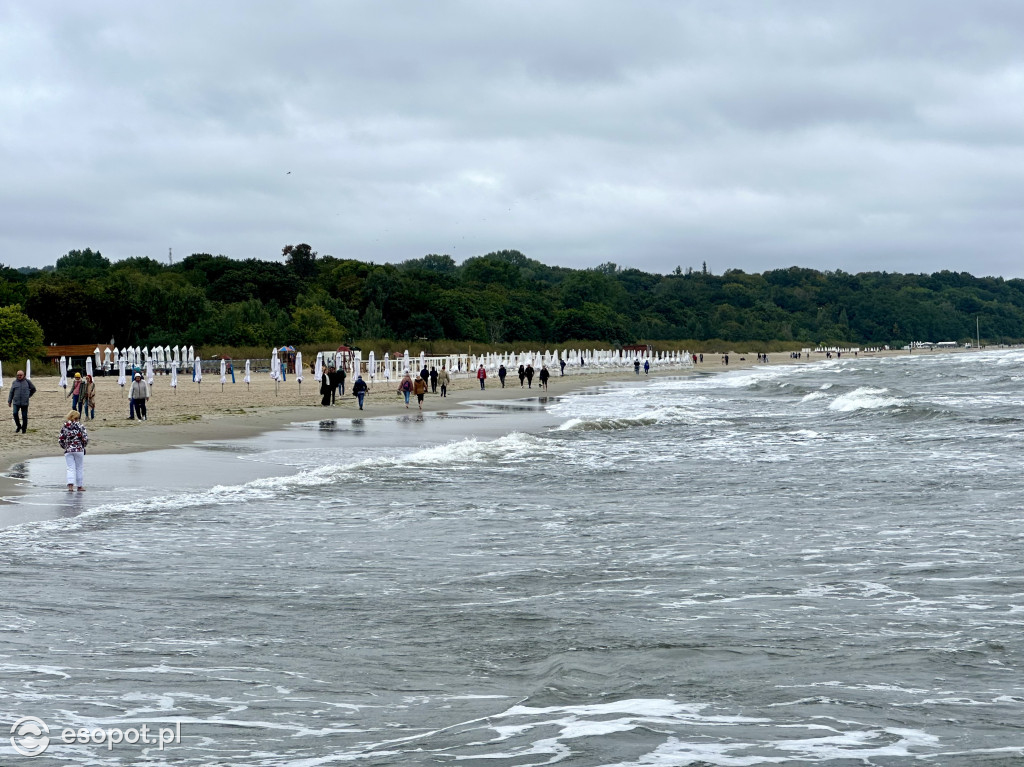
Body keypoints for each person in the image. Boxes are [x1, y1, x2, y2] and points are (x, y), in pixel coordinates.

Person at [59, 410, 89, 492]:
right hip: (79, 449)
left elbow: (61, 439)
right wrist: (83, 446)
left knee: (70, 468)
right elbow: (85, 439)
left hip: (69, 449)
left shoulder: (65, 426)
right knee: (79, 468)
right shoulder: (80, 426)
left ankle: (70, 486)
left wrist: (65, 447)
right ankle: (79, 486)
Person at [8, 369, 36, 433]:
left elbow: (33, 389)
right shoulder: (14, 382)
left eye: (20, 375)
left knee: (24, 416)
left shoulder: (28, 382)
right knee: (15, 414)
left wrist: (28, 395)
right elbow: (11, 392)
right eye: (18, 375)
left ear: (24, 375)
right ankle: (18, 426)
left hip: (24, 402)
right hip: (16, 402)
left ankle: (24, 429)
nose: (19, 376)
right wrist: (9, 401)